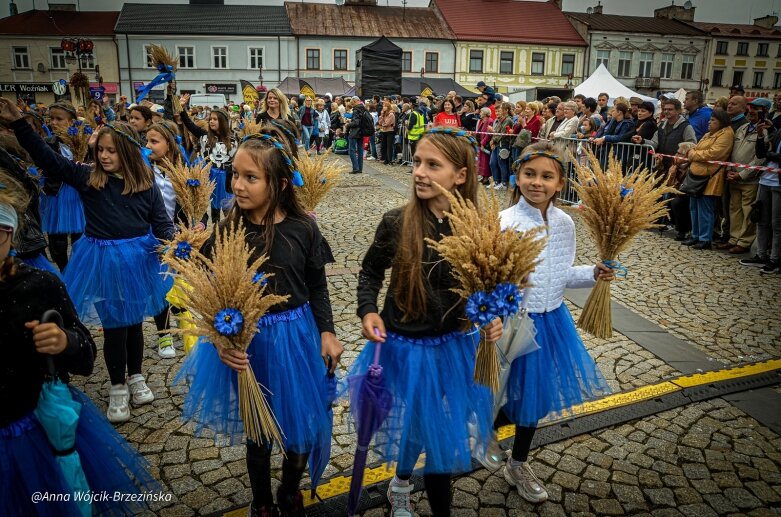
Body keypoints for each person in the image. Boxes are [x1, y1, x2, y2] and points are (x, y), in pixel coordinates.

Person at [177, 124, 343, 516]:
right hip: (250, 344)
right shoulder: (228, 230)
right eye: (235, 174)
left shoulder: (304, 228)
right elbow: (211, 293)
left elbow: (317, 286)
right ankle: (262, 501)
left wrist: (328, 332)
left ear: (281, 183)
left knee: (301, 423)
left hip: (297, 336)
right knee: (258, 431)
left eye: (251, 177)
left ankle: (289, 489)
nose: (237, 184)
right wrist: (220, 341)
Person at [352, 129, 501, 516]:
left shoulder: (477, 226)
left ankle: (400, 482)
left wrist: (491, 317)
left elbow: (488, 285)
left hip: (452, 345)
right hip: (403, 346)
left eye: (432, 165)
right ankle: (409, 489)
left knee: (429, 425)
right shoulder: (396, 222)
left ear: (461, 175)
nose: (419, 171)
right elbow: (370, 272)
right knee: (430, 432)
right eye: (417, 161)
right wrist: (368, 310)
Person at [1, 97, 174, 424]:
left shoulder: (146, 184)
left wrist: (176, 240)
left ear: (127, 152)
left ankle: (136, 375)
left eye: (111, 151)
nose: (105, 156)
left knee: (135, 322)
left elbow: (161, 222)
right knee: (114, 328)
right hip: (104, 261)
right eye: (101, 151)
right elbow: (49, 161)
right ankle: (117, 386)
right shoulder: (88, 178)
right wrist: (21, 124)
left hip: (138, 261)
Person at [0, 168, 159, 516]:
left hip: (31, 427)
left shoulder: (39, 286)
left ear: (12, 235)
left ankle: (131, 376)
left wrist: (64, 342)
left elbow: (85, 356)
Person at [498, 141, 613, 504]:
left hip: (551, 322)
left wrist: (594, 273)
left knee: (535, 399)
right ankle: (472, 437)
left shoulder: (564, 223)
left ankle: (517, 463)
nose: (537, 183)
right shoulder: (505, 221)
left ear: (560, 182)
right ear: (517, 177)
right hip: (512, 324)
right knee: (496, 396)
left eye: (547, 176)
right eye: (530, 174)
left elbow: (561, 275)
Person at [38, 102, 86, 272]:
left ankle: (77, 272)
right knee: (57, 242)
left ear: (72, 122)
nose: (54, 122)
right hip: (55, 195)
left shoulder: (83, 142)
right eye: (51, 118)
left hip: (79, 196)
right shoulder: (47, 143)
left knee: (80, 240)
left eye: (59, 119)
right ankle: (64, 271)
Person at [717, 98, 766, 254]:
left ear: (764, 112)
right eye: (751, 108)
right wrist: (730, 170)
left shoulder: (764, 131)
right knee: (734, 210)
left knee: (747, 212)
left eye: (756, 109)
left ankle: (744, 241)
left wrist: (742, 174)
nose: (752, 111)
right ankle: (733, 239)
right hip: (734, 177)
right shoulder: (743, 128)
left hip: (749, 180)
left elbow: (760, 157)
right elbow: (732, 151)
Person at [179, 92, 237, 224]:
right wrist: (182, 108)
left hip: (226, 179)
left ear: (223, 122)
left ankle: (229, 232)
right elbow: (189, 124)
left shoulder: (233, 139)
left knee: (228, 211)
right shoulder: (204, 135)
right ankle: (216, 232)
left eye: (215, 119)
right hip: (210, 177)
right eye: (210, 118)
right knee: (214, 212)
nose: (211, 121)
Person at [683, 110, 735, 250]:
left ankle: (705, 238)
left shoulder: (726, 134)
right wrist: (694, 153)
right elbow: (699, 148)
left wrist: (693, 154)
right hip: (697, 174)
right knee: (694, 207)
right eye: (710, 120)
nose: (709, 122)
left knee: (705, 208)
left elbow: (714, 154)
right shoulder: (708, 134)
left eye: (713, 120)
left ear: (721, 122)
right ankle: (695, 235)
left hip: (711, 176)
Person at [748, 113, 781, 273]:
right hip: (765, 180)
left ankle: (775, 258)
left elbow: (772, 155)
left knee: (777, 224)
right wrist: (761, 135)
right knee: (761, 219)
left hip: (778, 184)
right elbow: (760, 153)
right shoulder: (777, 132)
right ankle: (761, 255)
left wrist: (769, 154)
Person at [490, 102, 514, 190]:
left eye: (502, 109)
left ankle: (504, 183)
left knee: (502, 163)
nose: (500, 111)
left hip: (503, 144)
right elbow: (496, 131)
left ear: (506, 110)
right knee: (493, 163)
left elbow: (502, 133)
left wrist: (494, 140)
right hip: (497, 144)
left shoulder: (508, 120)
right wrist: (493, 141)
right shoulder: (501, 119)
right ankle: (497, 181)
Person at [347, 99, 371, 174]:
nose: (352, 105)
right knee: (360, 150)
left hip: (355, 132)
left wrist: (348, 124)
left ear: (354, 102)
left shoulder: (356, 110)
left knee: (352, 150)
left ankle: (355, 168)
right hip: (362, 132)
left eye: (352, 103)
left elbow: (356, 123)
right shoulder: (364, 109)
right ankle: (360, 168)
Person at [476, 107, 494, 185]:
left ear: (485, 113)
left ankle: (487, 177)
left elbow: (488, 134)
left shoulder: (489, 121)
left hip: (486, 143)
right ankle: (483, 176)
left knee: (486, 161)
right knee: (482, 161)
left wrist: (483, 143)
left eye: (481, 112)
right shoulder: (481, 121)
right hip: (480, 142)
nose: (480, 113)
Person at [378, 98, 397, 165]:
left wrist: (382, 124)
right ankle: (385, 159)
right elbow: (380, 122)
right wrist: (382, 116)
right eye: (383, 106)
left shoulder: (391, 114)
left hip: (390, 131)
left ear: (388, 107)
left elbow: (387, 123)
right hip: (384, 131)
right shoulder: (384, 114)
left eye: (385, 106)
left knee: (389, 146)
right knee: (384, 145)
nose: (383, 107)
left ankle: (390, 159)